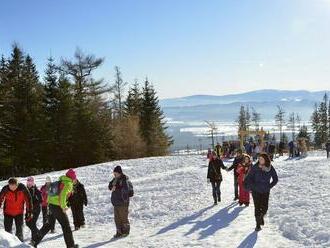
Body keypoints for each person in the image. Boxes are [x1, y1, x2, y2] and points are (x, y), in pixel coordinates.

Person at [31, 169, 78, 248]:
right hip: (58, 207)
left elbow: (51, 194)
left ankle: (34, 241)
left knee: (49, 224)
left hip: (51, 205)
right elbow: (62, 196)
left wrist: (50, 204)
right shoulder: (68, 183)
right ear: (73, 177)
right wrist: (63, 207)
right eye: (75, 177)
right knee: (66, 226)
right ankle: (71, 246)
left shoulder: (60, 181)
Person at [244, 152, 278, 232]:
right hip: (256, 191)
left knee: (265, 208)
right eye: (259, 159)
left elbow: (275, 179)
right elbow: (248, 178)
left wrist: (269, 186)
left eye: (261, 159)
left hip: (265, 191)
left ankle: (261, 217)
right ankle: (257, 225)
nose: (260, 160)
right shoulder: (255, 167)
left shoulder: (270, 167)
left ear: (266, 160)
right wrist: (250, 186)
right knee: (257, 207)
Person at [0, 178, 33, 242]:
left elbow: (28, 200)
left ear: (17, 185)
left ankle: (20, 244)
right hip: (8, 212)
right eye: (10, 186)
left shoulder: (23, 188)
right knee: (7, 232)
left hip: (19, 213)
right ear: (8, 185)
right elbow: (0, 199)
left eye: (14, 186)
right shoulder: (5, 189)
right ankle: (8, 244)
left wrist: (29, 212)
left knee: (19, 231)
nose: (12, 188)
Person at [108, 166, 132, 238]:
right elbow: (109, 186)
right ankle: (119, 232)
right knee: (117, 218)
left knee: (123, 218)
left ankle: (126, 231)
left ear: (119, 173)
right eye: (114, 173)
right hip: (116, 202)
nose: (114, 174)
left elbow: (125, 190)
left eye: (115, 173)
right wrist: (111, 187)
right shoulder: (115, 179)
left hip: (123, 202)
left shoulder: (124, 180)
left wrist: (117, 188)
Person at [26, 176, 42, 242]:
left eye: (31, 182)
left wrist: (35, 202)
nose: (29, 184)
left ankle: (33, 239)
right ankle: (39, 233)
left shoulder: (35, 190)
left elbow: (41, 199)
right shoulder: (25, 189)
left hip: (36, 208)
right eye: (28, 182)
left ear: (33, 183)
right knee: (27, 222)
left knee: (32, 223)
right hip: (29, 209)